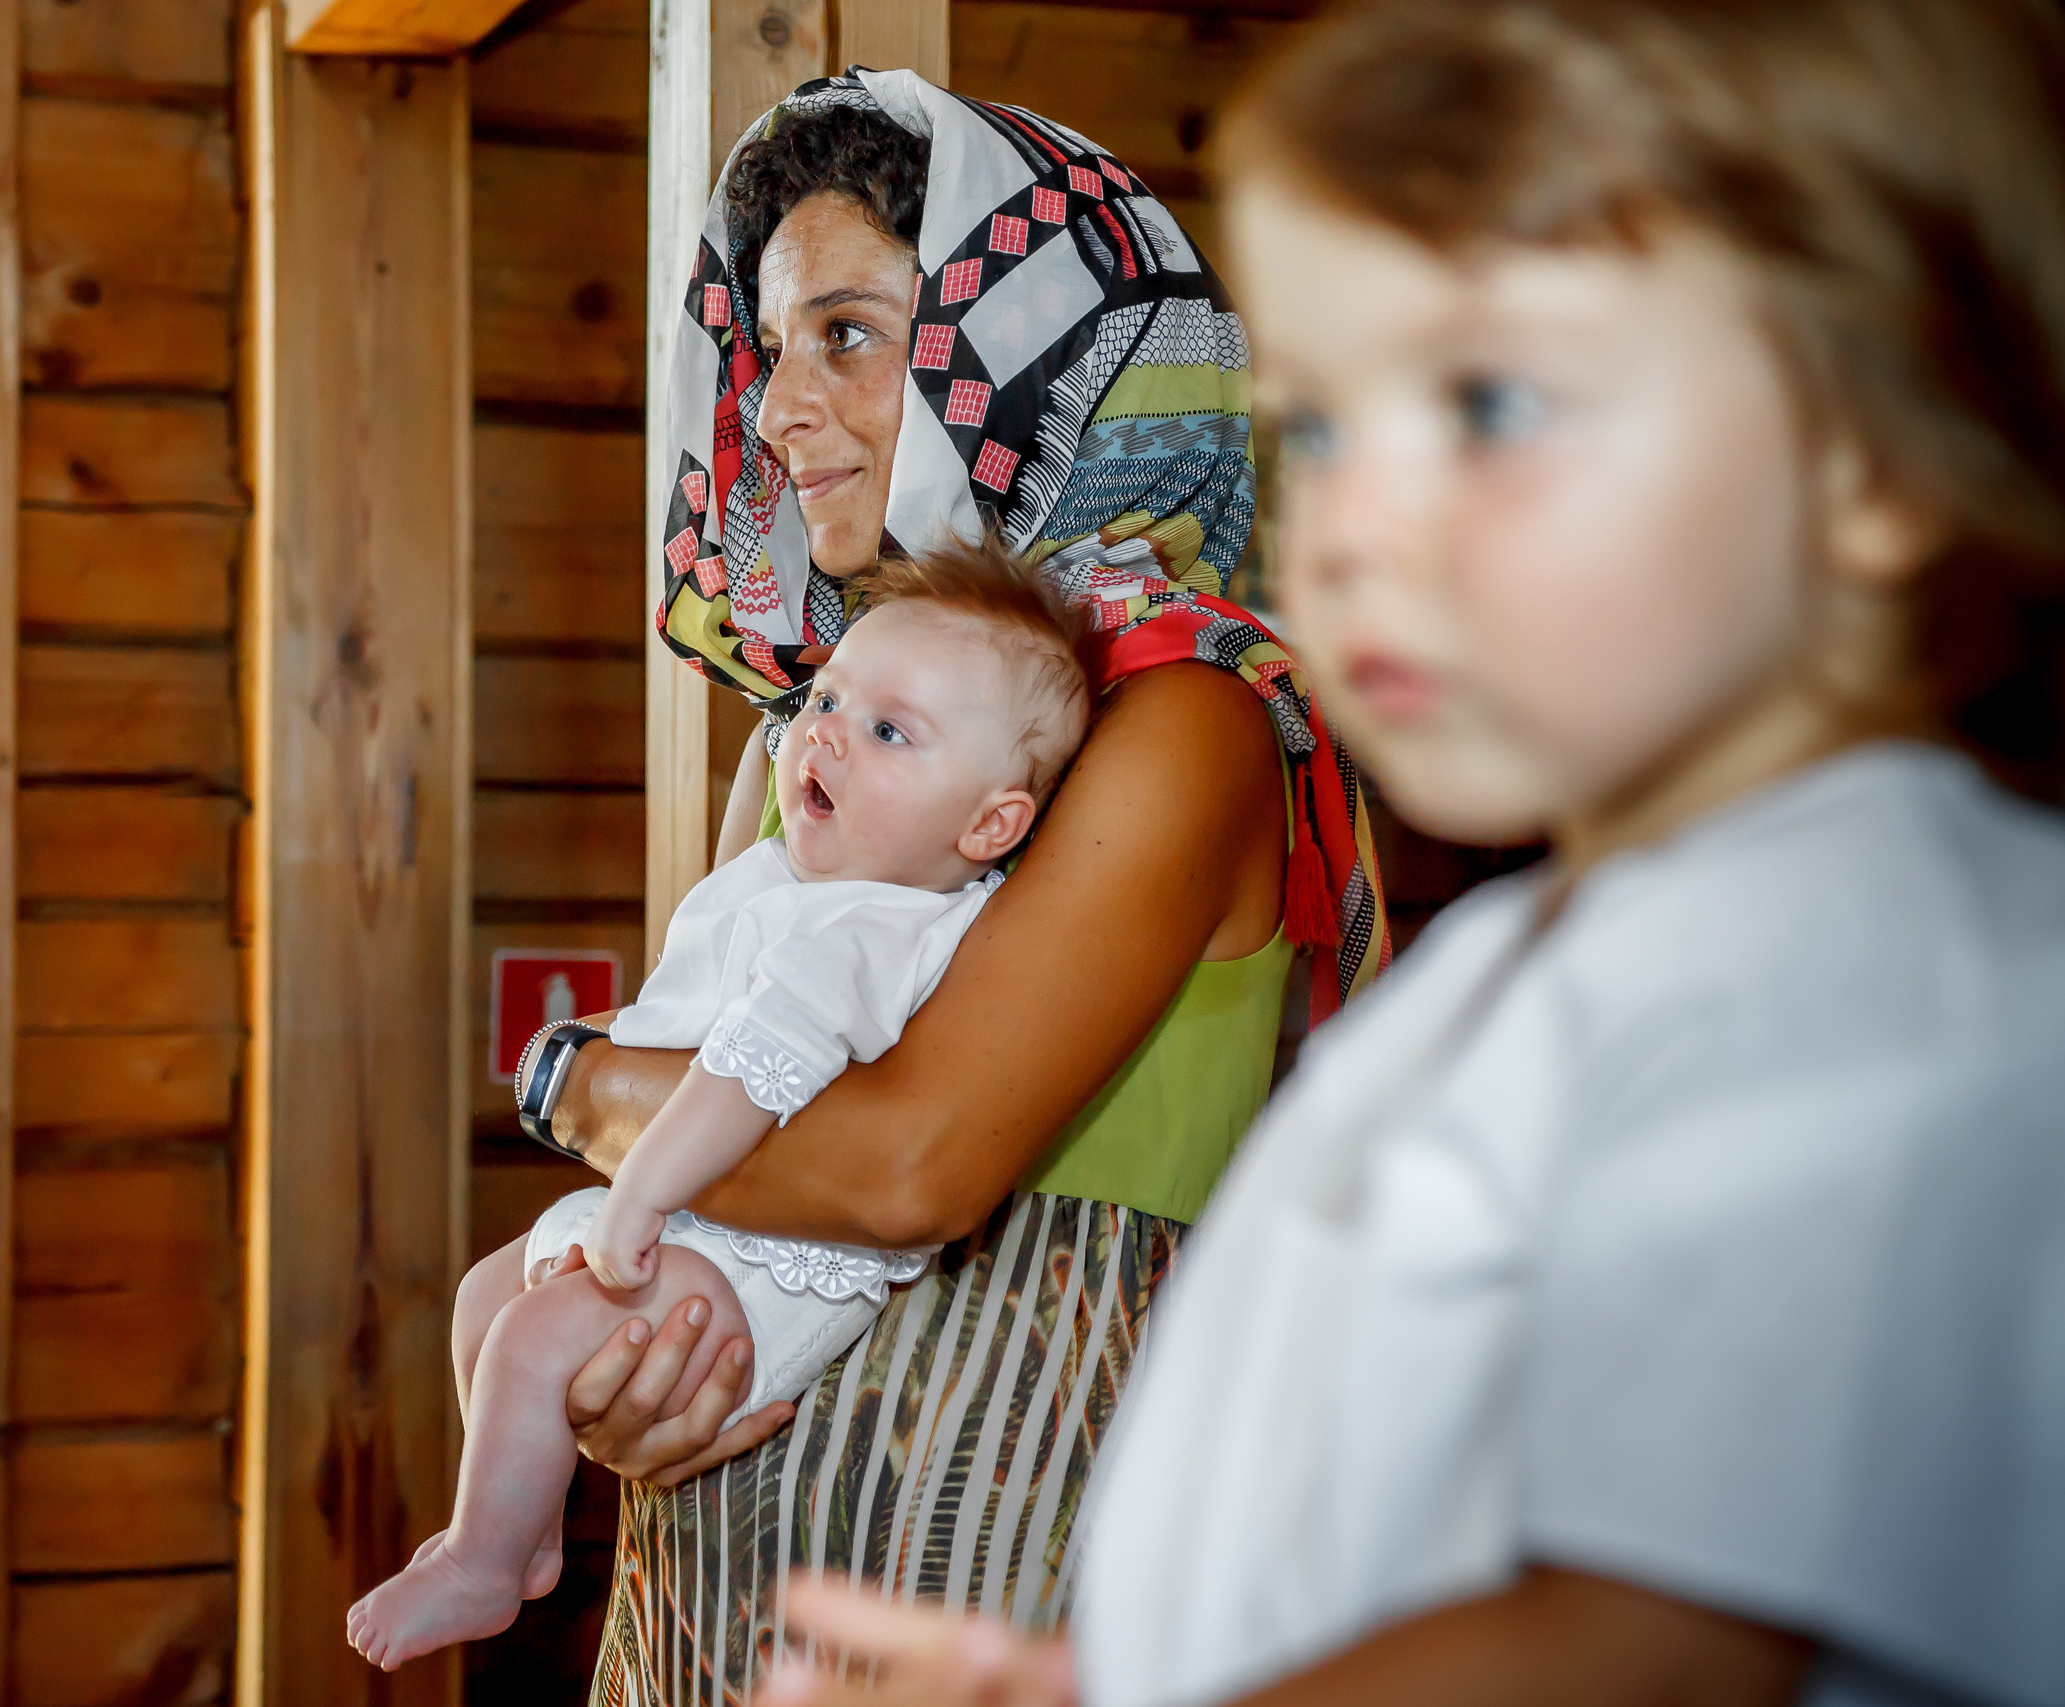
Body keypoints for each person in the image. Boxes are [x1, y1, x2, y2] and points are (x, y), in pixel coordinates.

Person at [746, 2, 2065, 1704]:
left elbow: (1648, 1638)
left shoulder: (1860, 957)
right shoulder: (1560, 957)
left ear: (1875, 455)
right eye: (1318, 429)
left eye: (1494, 402)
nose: (1355, 520)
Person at [519, 72, 1391, 1702]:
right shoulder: (820, 735)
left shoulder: (1182, 725)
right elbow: (732, 1164)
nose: (778, 409)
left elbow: (905, 1162)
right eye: (769, 346)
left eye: (847, 334)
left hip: (1010, 1603)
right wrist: (615, 1371)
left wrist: (571, 1083)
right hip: (724, 1606)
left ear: (1046, 354)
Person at [347, 546, 1094, 1670]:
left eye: (890, 732)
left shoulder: (866, 931)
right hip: (714, 1219)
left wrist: (635, 1194)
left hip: (777, 1260)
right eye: (829, 700)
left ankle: (482, 1562)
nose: (828, 733)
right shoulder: (799, 876)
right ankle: (525, 1526)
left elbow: (744, 1071)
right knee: (482, 1301)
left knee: (540, 1331)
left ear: (988, 827)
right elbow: (690, 978)